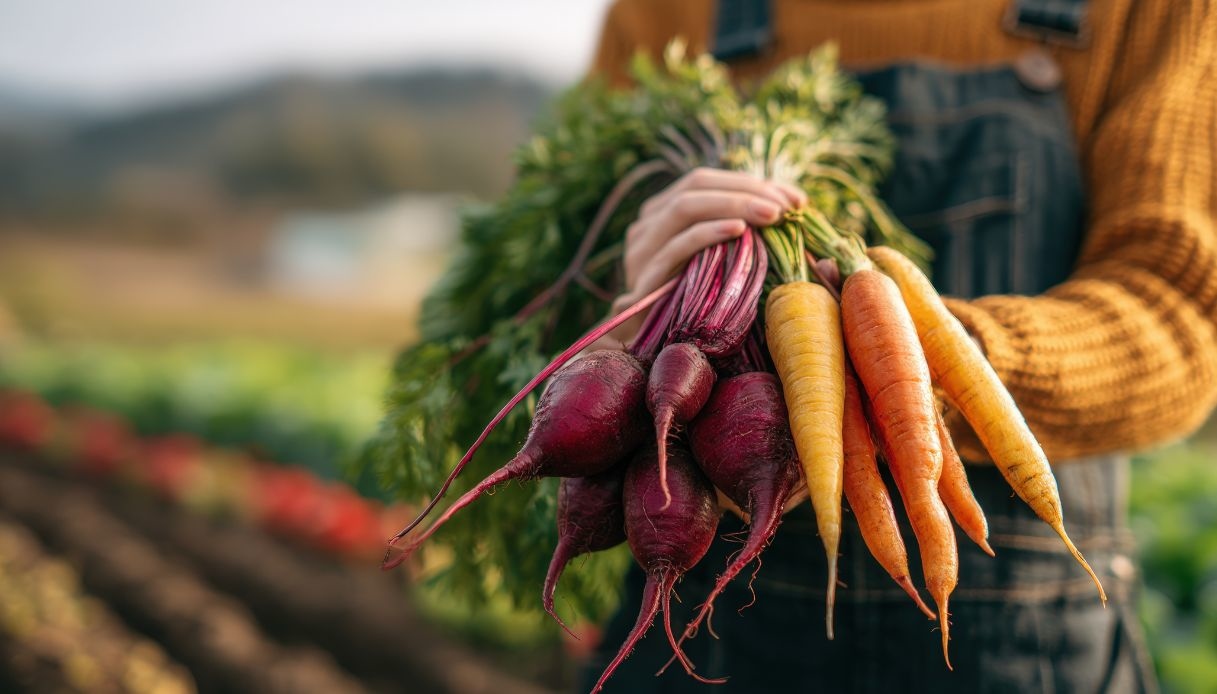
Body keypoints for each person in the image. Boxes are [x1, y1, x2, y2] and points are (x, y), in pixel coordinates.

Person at [580, 0, 1215, 691]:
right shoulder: (667, 10)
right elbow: (554, 312)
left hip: (1031, 649)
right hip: (707, 633)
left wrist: (926, 367)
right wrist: (632, 313)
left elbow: (1179, 309)